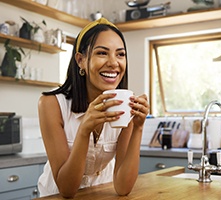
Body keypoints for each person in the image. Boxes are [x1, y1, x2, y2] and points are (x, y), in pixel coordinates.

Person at [37, 17, 150, 198]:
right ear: (81, 60)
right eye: (102, 53)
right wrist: (84, 130)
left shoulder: (125, 106)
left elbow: (123, 187)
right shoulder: (51, 104)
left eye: (120, 54)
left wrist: (138, 126)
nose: (114, 63)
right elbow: (67, 189)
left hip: (100, 194)